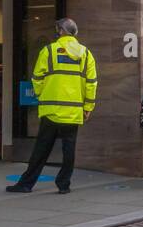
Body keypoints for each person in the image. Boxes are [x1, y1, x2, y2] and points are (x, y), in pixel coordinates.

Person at [7, 18, 97, 195]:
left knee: (41, 149)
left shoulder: (49, 51)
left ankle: (26, 184)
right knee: (69, 149)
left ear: (62, 30)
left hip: (51, 111)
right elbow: (91, 84)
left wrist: (43, 95)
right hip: (73, 111)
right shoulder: (86, 54)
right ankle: (64, 184)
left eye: (57, 29)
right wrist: (88, 107)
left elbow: (37, 78)